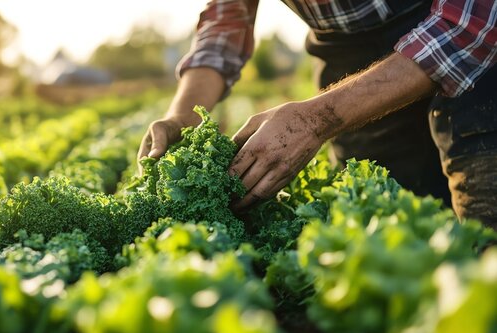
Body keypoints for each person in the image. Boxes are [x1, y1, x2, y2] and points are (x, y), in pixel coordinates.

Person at [137, 0, 497, 231]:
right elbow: (227, 20)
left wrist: (316, 119)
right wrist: (183, 117)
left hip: (476, 48)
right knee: (391, 231)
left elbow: (471, 22)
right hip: (349, 58)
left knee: (485, 235)